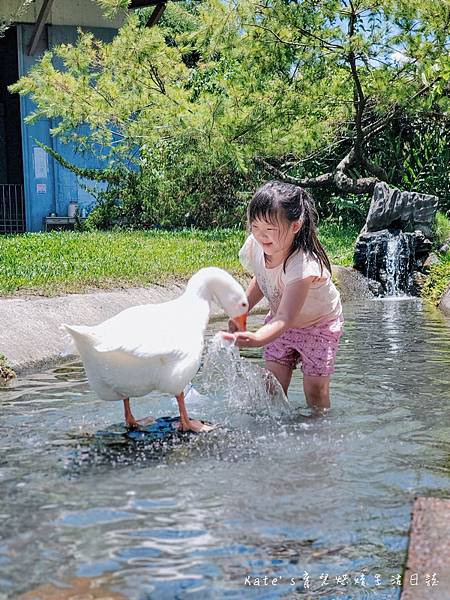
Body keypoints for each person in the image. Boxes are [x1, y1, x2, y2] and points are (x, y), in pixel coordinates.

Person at [223, 180, 344, 412]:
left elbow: (285, 316)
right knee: (272, 387)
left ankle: (321, 437)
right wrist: (241, 311)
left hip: (318, 326)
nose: (261, 235)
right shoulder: (258, 246)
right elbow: (262, 279)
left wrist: (258, 338)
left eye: (269, 229)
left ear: (295, 225)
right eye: (255, 227)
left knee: (316, 392)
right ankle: (275, 436)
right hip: (282, 324)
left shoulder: (303, 264)